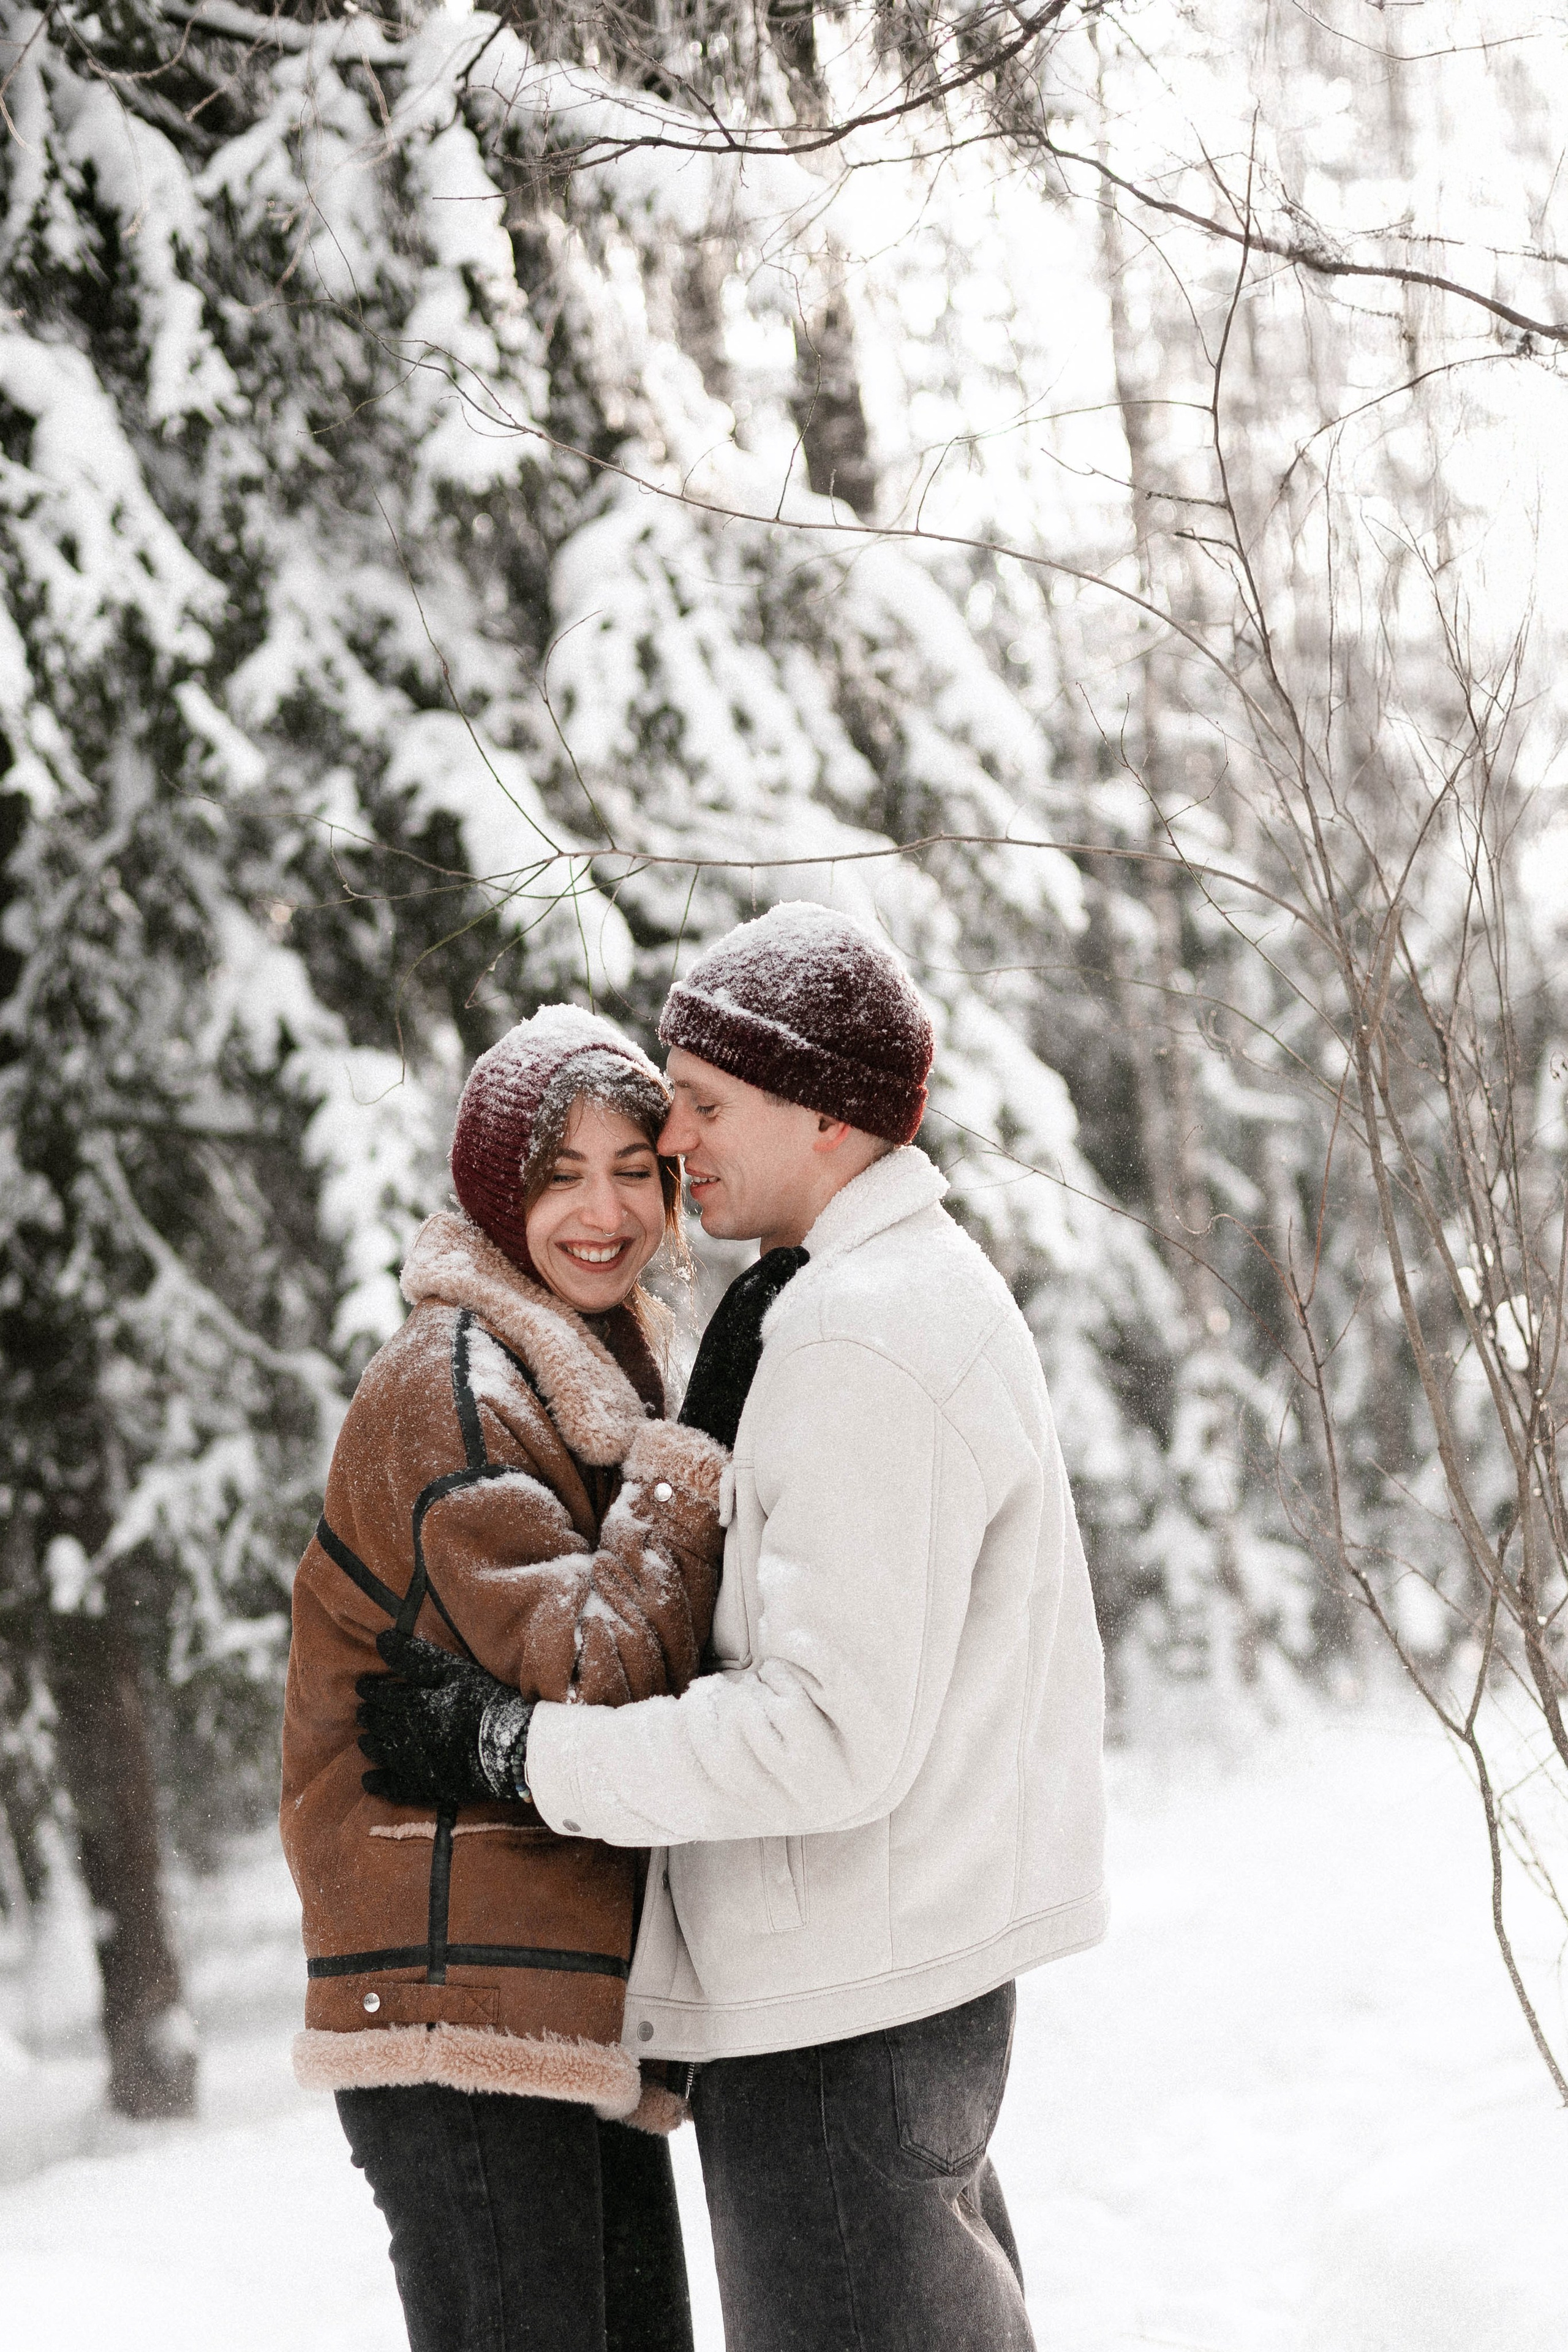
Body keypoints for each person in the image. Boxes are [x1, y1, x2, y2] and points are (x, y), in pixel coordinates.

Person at [361, 905, 1109, 2352]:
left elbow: (822, 1736)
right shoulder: (863, 1295)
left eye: (702, 1106)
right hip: (887, 1979)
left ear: (821, 1117)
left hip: (838, 2011)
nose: (677, 1141)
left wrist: (518, 1751)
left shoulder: (855, 1331)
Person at [281, 1005, 732, 2352]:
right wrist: (686, 1472)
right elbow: (590, 1669)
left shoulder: (579, 1364)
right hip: (455, 2009)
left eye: (631, 1170)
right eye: (558, 1176)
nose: (603, 1211)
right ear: (494, 1190)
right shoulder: (457, 1386)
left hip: (530, 1997)